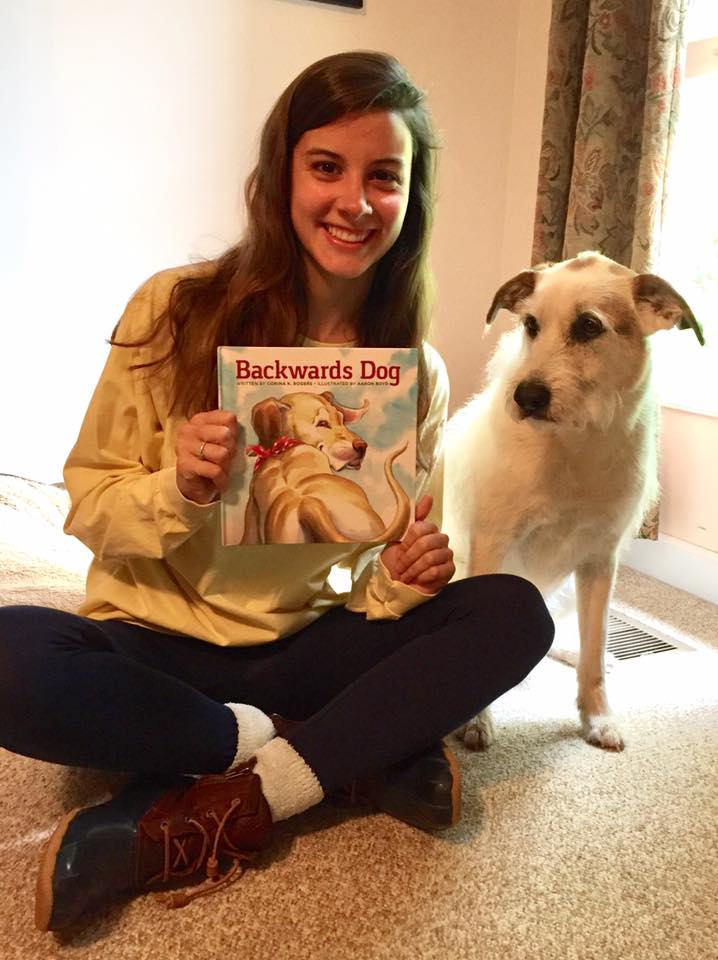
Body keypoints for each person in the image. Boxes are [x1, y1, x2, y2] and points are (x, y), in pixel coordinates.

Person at [0, 51, 553, 931]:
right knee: (10, 656)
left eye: (384, 177)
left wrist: (399, 580)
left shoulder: (413, 370)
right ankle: (320, 747)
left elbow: (372, 577)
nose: (355, 202)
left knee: (515, 613)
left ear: (410, 196)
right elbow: (89, 505)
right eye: (327, 167)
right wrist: (179, 489)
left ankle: (245, 798)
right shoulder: (173, 308)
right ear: (282, 174)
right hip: (161, 641)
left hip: (313, 645)